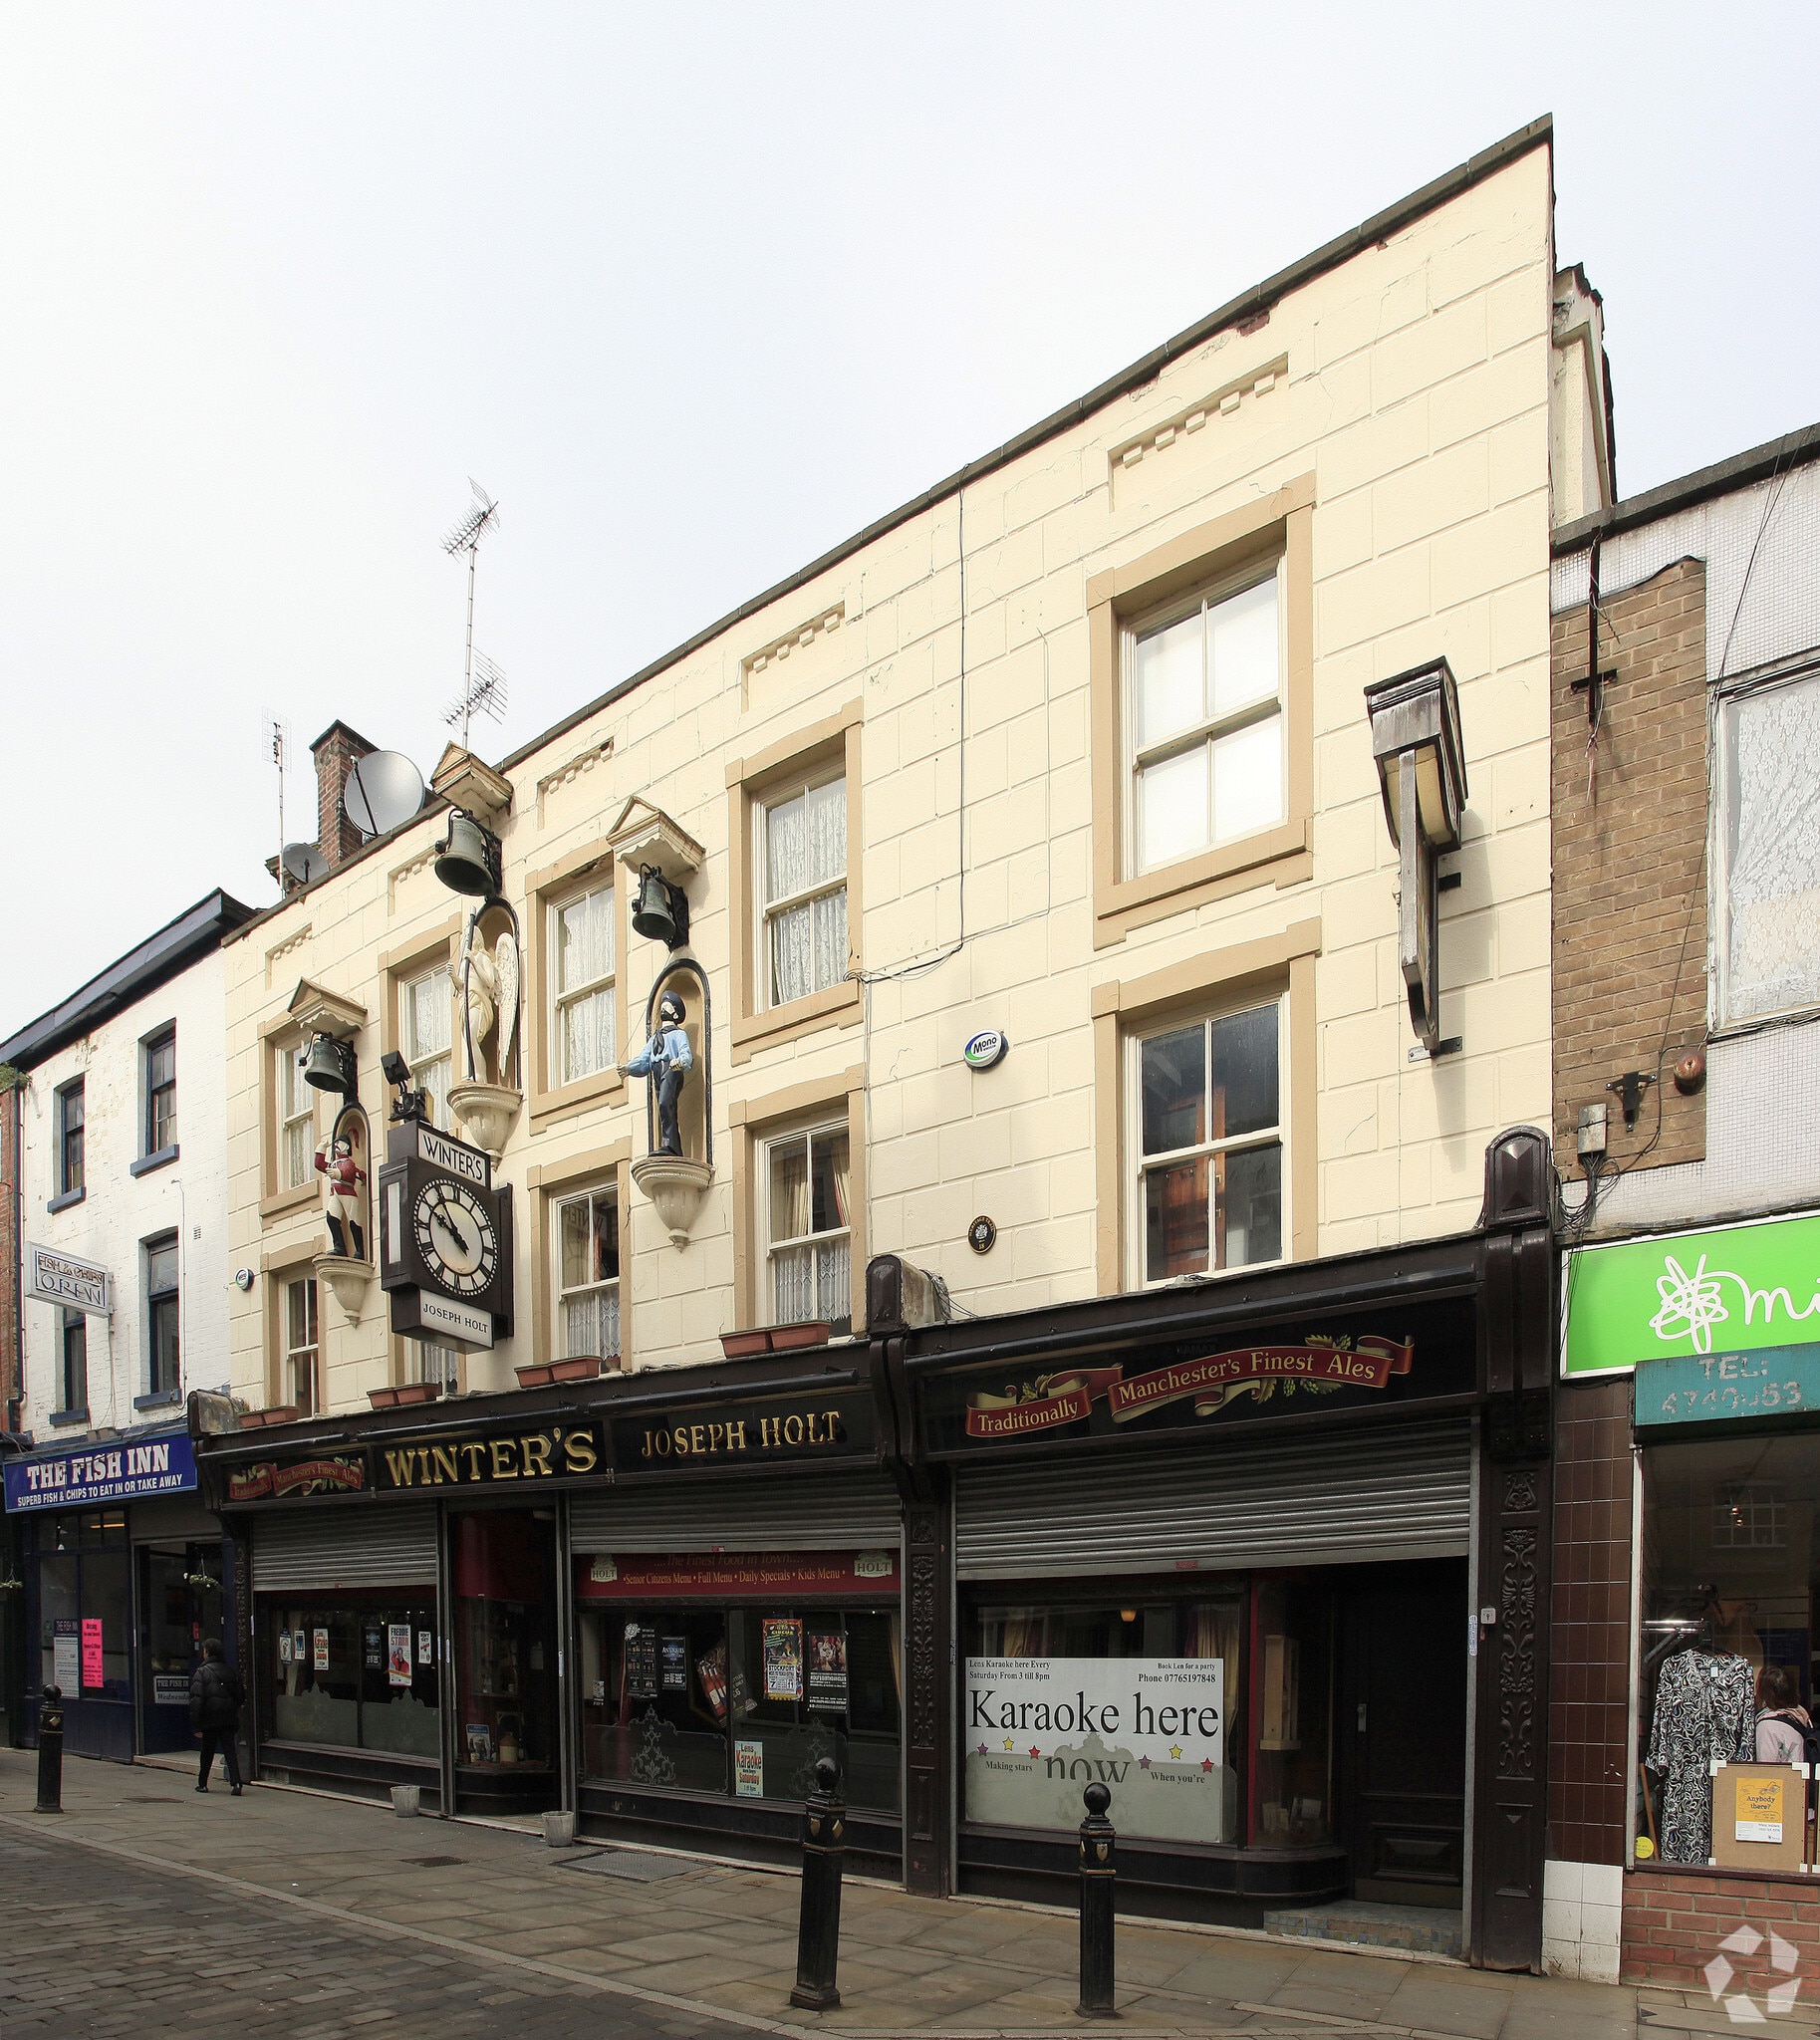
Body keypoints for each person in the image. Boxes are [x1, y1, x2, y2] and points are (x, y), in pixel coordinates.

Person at [622, 990, 693, 1156]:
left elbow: (686, 1054)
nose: (663, 1009)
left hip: (671, 1070)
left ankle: (670, 1145)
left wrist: (680, 1062)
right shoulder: (655, 1038)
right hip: (657, 1071)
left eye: (667, 1006)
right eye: (662, 1006)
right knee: (663, 1109)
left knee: (665, 1103)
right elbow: (644, 1060)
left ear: (675, 1013)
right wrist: (628, 1069)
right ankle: (670, 1144)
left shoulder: (678, 1034)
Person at [190, 1638, 245, 1795]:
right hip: (228, 1718)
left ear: (207, 1653)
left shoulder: (202, 1672)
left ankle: (202, 1783)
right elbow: (240, 1696)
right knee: (230, 1751)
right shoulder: (230, 1671)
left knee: (207, 1752)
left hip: (210, 1719)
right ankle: (237, 1783)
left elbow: (196, 1700)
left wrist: (196, 1725)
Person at [1754, 1663, 1813, 1764]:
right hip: (1803, 1773)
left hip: (1784, 1774)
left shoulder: (1768, 1726)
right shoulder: (1801, 1716)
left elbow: (1766, 1768)